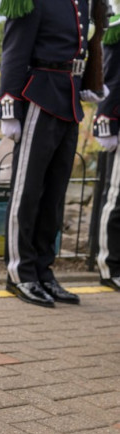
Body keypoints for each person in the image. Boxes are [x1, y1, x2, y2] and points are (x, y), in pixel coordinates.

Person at [0, 0, 98, 308]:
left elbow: (86, 44)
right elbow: (14, 56)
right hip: (39, 98)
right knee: (29, 190)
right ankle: (20, 272)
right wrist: (9, 108)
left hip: (70, 99)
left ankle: (44, 270)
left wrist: (90, 81)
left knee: (54, 193)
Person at [93, 14, 120, 289]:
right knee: (117, 198)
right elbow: (109, 78)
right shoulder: (117, 29)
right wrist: (107, 122)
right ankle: (109, 265)